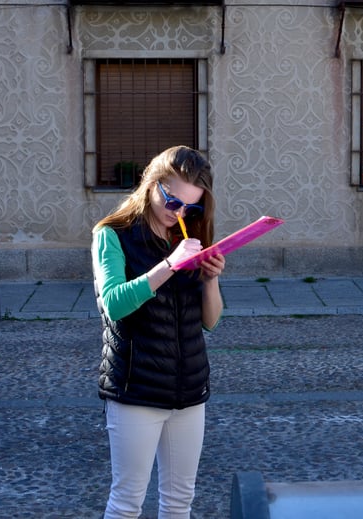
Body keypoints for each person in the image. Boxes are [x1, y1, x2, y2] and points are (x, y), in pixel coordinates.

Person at [92, 145, 226, 518]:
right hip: (136, 390)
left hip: (188, 389)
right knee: (127, 503)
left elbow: (211, 321)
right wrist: (169, 264)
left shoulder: (189, 233)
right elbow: (113, 305)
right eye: (172, 201)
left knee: (180, 501)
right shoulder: (112, 235)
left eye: (190, 207)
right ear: (151, 184)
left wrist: (211, 279)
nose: (179, 213)